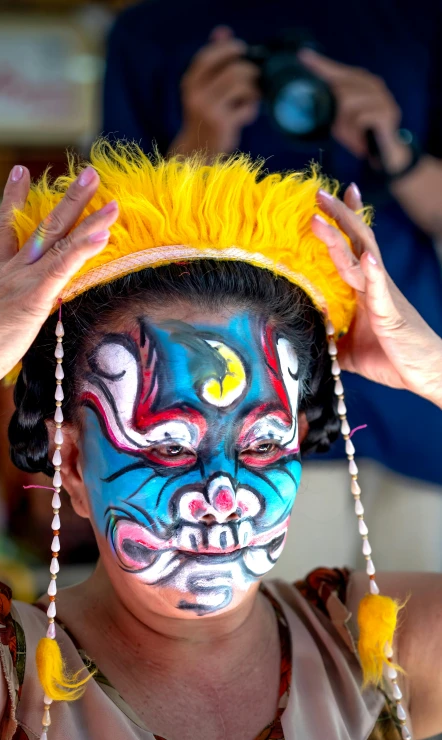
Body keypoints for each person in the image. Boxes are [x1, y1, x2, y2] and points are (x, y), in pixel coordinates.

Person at [0, 142, 442, 740]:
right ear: (75, 465)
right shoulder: (0, 680)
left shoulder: (368, 645)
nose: (222, 492)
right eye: (168, 447)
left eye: (261, 445)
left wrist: (435, 369)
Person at [102, 0, 442, 494]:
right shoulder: (148, 27)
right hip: (233, 411)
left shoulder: (418, 20)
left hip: (405, 388)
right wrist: (198, 141)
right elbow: (116, 237)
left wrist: (394, 148)